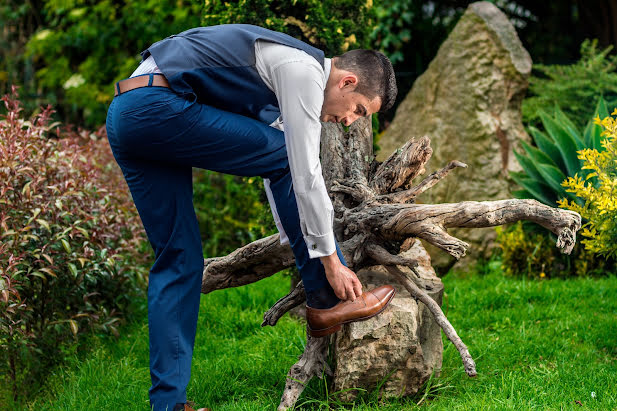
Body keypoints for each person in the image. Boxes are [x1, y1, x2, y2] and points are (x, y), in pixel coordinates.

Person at [105, 23, 398, 411]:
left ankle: (168, 405)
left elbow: (275, 175)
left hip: (129, 114)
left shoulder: (288, 73)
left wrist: (287, 239)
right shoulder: (302, 70)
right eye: (359, 110)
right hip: (158, 108)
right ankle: (325, 300)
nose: (351, 120)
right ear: (346, 82)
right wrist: (329, 262)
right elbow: (302, 174)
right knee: (285, 157)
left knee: (179, 260)